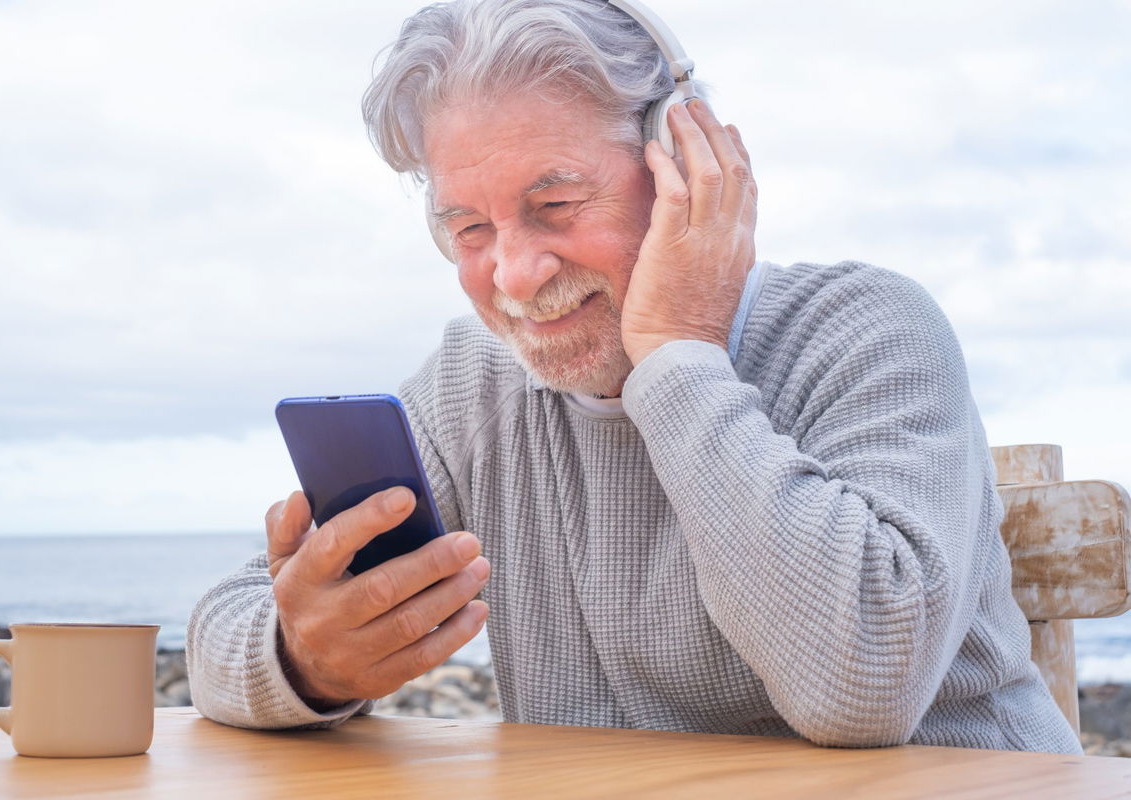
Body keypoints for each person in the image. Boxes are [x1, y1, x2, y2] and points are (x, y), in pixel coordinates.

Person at [186, 0, 1081, 753]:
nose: (515, 275)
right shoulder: (476, 385)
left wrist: (677, 351)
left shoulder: (869, 330)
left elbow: (862, 684)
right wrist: (304, 658)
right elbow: (223, 625)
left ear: (687, 170)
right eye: (470, 230)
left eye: (556, 206)